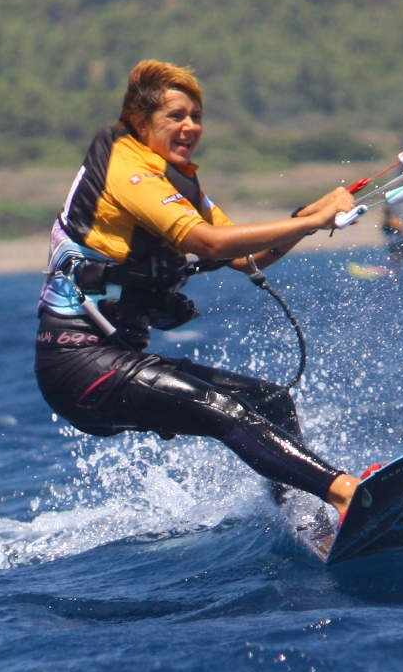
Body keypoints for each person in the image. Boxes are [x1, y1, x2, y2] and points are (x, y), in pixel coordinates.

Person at [36, 60, 369, 517]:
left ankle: (299, 513)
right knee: (225, 412)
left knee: (271, 400)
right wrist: (315, 220)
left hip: (122, 358)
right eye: (176, 116)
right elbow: (204, 242)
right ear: (140, 122)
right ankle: (346, 495)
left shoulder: (174, 180)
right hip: (79, 366)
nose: (190, 126)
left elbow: (245, 257)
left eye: (196, 116)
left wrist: (309, 219)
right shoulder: (124, 165)